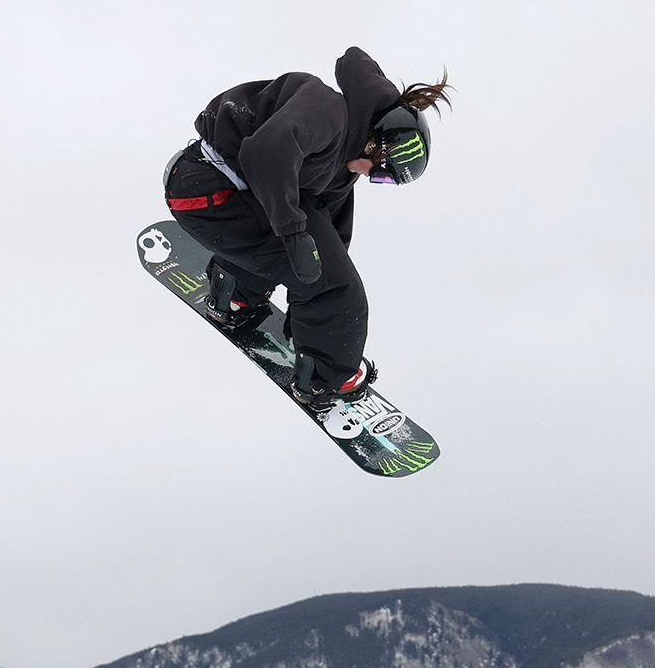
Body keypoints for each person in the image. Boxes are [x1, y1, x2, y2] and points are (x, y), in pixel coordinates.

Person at [161, 47, 449, 410]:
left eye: (385, 181)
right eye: (381, 171)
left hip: (223, 196)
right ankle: (326, 379)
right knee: (338, 290)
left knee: (311, 258)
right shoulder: (326, 110)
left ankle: (235, 293)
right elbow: (265, 153)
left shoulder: (342, 161)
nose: (373, 179)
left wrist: (306, 304)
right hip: (204, 188)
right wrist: (295, 237)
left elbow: (329, 236)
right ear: (376, 143)